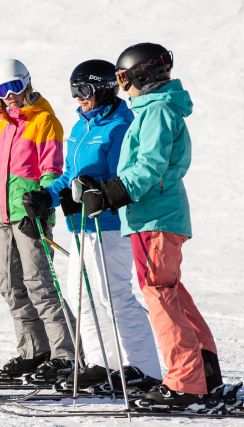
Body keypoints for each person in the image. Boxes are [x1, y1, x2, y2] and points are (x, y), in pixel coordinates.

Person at [77, 42, 224, 409]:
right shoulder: (154, 109)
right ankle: (203, 375)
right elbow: (143, 166)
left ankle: (185, 383)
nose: (120, 85)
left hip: (154, 217)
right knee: (171, 293)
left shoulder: (157, 110)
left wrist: (115, 192)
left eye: (122, 77)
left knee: (160, 294)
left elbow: (151, 165)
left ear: (138, 76)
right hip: (154, 216)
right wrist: (105, 188)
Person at [21, 60, 162, 392]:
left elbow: (119, 178)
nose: (78, 98)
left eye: (83, 90)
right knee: (80, 295)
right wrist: (46, 197)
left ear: (102, 87)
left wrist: (92, 193)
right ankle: (103, 365)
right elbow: (70, 178)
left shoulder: (120, 126)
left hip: (109, 224)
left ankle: (143, 368)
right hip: (80, 225)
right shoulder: (80, 127)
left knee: (112, 295)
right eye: (74, 91)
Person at [0, 59, 76, 381]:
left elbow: (52, 172)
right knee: (10, 286)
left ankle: (67, 355)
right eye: (2, 90)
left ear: (26, 83)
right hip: (2, 220)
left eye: (14, 87)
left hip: (30, 217)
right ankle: (34, 351)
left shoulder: (45, 122)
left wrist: (39, 207)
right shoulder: (2, 127)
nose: (9, 95)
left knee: (40, 284)